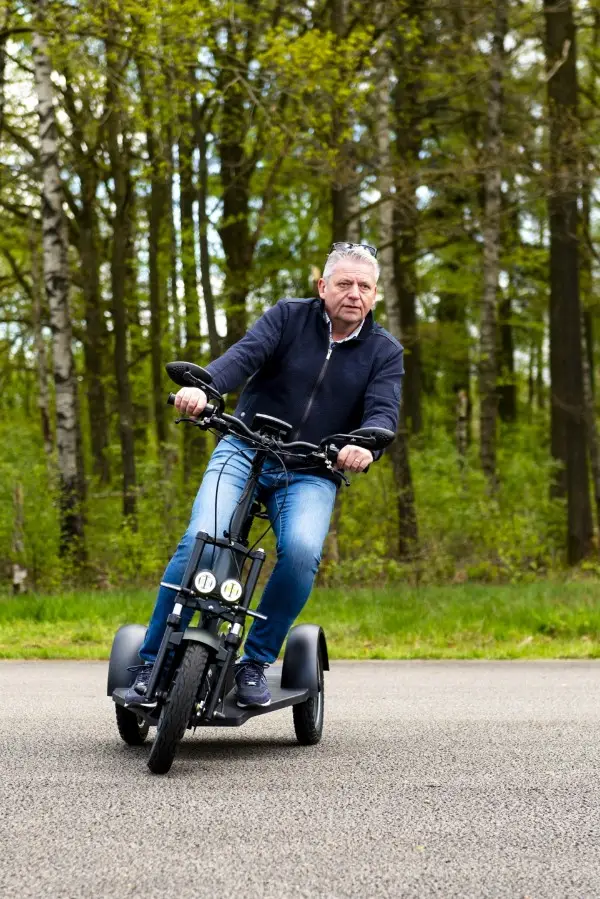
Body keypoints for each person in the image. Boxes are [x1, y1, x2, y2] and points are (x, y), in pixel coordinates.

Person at [127, 243, 404, 708]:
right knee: (202, 538)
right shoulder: (287, 318)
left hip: (313, 469)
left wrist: (364, 444)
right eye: (344, 283)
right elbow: (242, 357)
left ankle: (253, 660)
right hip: (244, 448)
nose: (353, 293)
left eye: (364, 286)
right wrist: (203, 389)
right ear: (322, 287)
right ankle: (151, 660)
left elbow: (382, 410)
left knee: (299, 553)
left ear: (375, 295)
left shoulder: (384, 352)